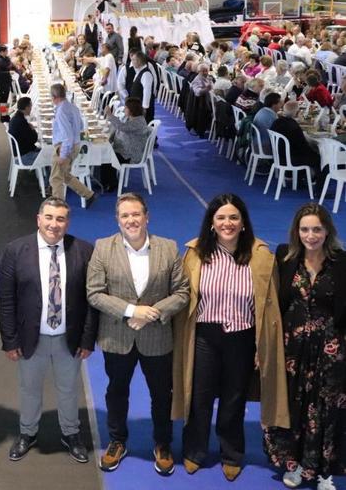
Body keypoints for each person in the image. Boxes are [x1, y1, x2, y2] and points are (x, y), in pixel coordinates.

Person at [172, 193, 288, 481]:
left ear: (243, 222)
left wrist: (264, 346)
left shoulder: (261, 257)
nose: (228, 223)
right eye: (221, 217)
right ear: (212, 222)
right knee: (198, 397)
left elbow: (269, 306)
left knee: (234, 399)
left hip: (242, 337)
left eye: (234, 217)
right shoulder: (195, 254)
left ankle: (232, 453)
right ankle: (194, 450)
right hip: (204, 336)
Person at [86, 193, 189, 475]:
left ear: (147, 216)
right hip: (117, 337)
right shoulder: (103, 247)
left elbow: (182, 292)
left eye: (136, 214)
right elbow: (94, 293)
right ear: (117, 220)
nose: (131, 220)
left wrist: (151, 313)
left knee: (161, 394)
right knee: (116, 391)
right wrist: (132, 311)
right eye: (125, 216)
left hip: (157, 337)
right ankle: (117, 440)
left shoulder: (168, 248)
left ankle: (163, 443)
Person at [0, 197, 96, 463]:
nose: (54, 224)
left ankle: (71, 433)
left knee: (68, 389)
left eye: (61, 219)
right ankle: (27, 433)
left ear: (68, 222)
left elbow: (91, 301)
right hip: (32, 337)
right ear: (38, 219)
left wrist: (88, 339)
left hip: (69, 337)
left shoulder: (84, 251)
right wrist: (9, 340)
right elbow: (6, 299)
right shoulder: (16, 250)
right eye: (49, 218)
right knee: (29, 388)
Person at [265, 204, 345, 490]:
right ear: (296, 231)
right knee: (293, 406)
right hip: (292, 349)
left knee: (325, 410)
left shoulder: (341, 261)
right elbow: (276, 302)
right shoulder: (286, 257)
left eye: (317, 229)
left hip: (329, 350)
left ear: (327, 231)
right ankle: (294, 464)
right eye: (305, 229)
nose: (310, 235)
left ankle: (323, 468)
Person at [49, 83, 96, 206]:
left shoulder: (61, 112)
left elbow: (67, 136)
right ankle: (88, 194)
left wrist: (63, 155)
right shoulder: (73, 107)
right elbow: (80, 126)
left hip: (63, 147)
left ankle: (58, 206)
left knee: (56, 178)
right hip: (75, 145)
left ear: (54, 97)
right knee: (65, 175)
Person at [271, 100, 321, 177]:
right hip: (290, 159)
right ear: (297, 112)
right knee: (318, 158)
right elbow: (303, 146)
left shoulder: (276, 122)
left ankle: (298, 175)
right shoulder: (294, 126)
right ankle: (315, 182)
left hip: (278, 156)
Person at [106, 98, 150, 164]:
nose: (124, 109)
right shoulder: (129, 118)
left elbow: (122, 127)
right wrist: (109, 140)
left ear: (132, 110)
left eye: (126, 108)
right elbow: (118, 127)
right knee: (104, 153)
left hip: (131, 155)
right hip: (123, 150)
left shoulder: (138, 122)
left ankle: (110, 174)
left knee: (105, 158)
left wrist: (110, 115)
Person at [8, 96, 40, 165]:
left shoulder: (16, 118)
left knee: (44, 151)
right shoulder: (21, 122)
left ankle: (45, 173)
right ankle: (47, 175)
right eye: (30, 106)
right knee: (50, 156)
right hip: (23, 156)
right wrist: (33, 129)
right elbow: (34, 139)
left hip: (20, 152)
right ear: (26, 108)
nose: (31, 109)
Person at [0, 44, 13, 122]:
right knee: (3, 101)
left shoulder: (7, 58)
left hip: (7, 82)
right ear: (2, 52)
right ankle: (2, 117)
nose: (7, 52)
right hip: (2, 83)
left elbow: (11, 65)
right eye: (6, 51)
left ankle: (5, 115)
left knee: (5, 100)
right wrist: (8, 72)